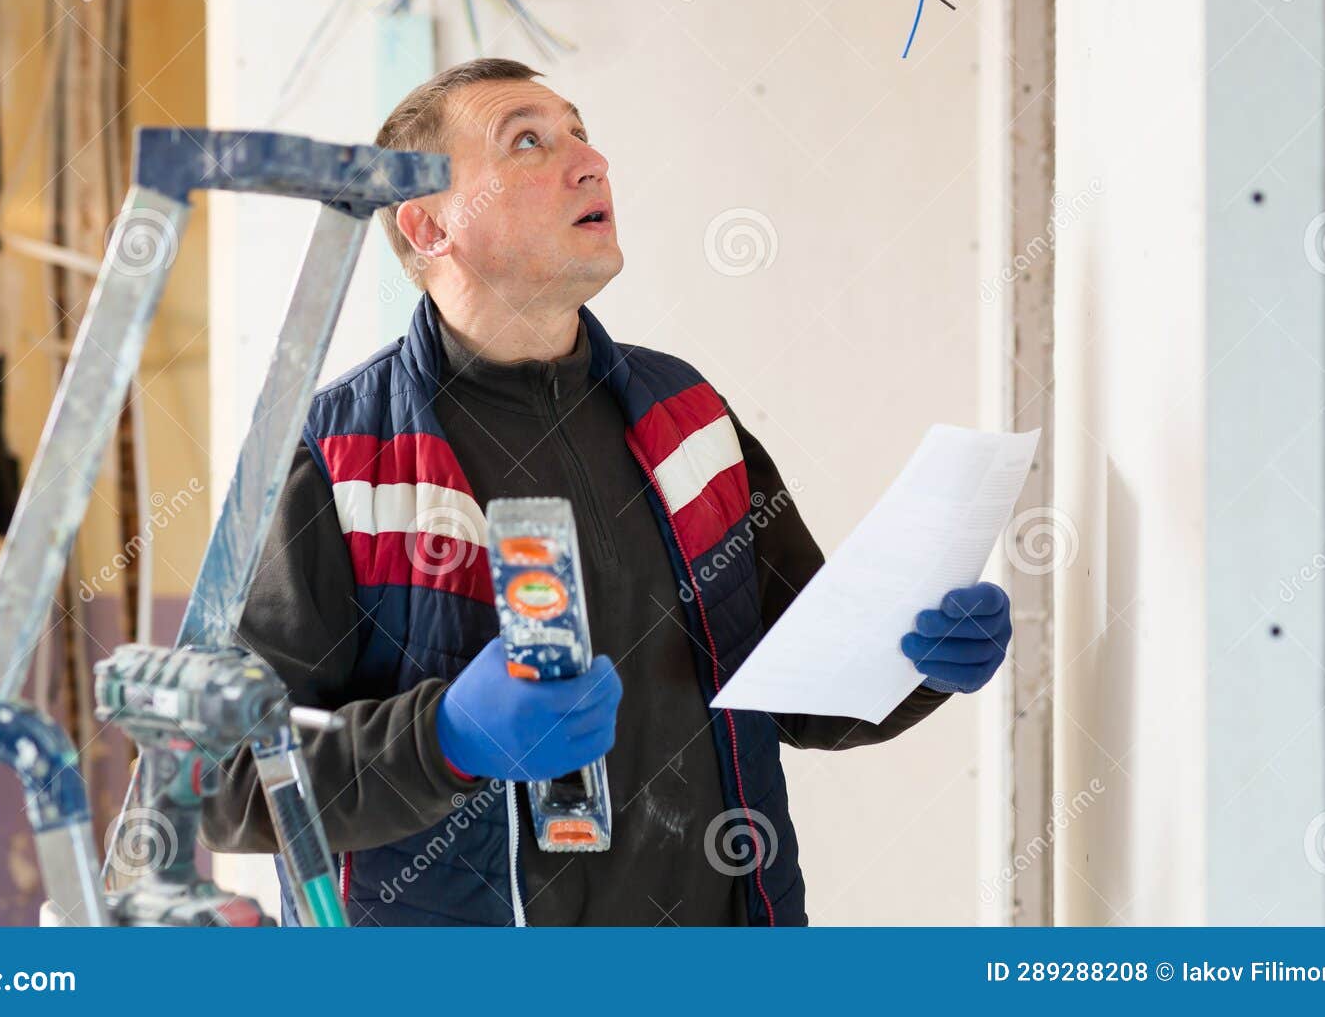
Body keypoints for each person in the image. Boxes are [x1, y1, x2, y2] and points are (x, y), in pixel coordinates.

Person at [200, 58, 1012, 926]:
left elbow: (795, 687)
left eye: (580, 131)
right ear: (429, 225)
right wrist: (442, 741)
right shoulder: (337, 460)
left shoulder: (688, 418)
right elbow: (222, 779)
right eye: (528, 141)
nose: (591, 161)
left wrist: (916, 660)